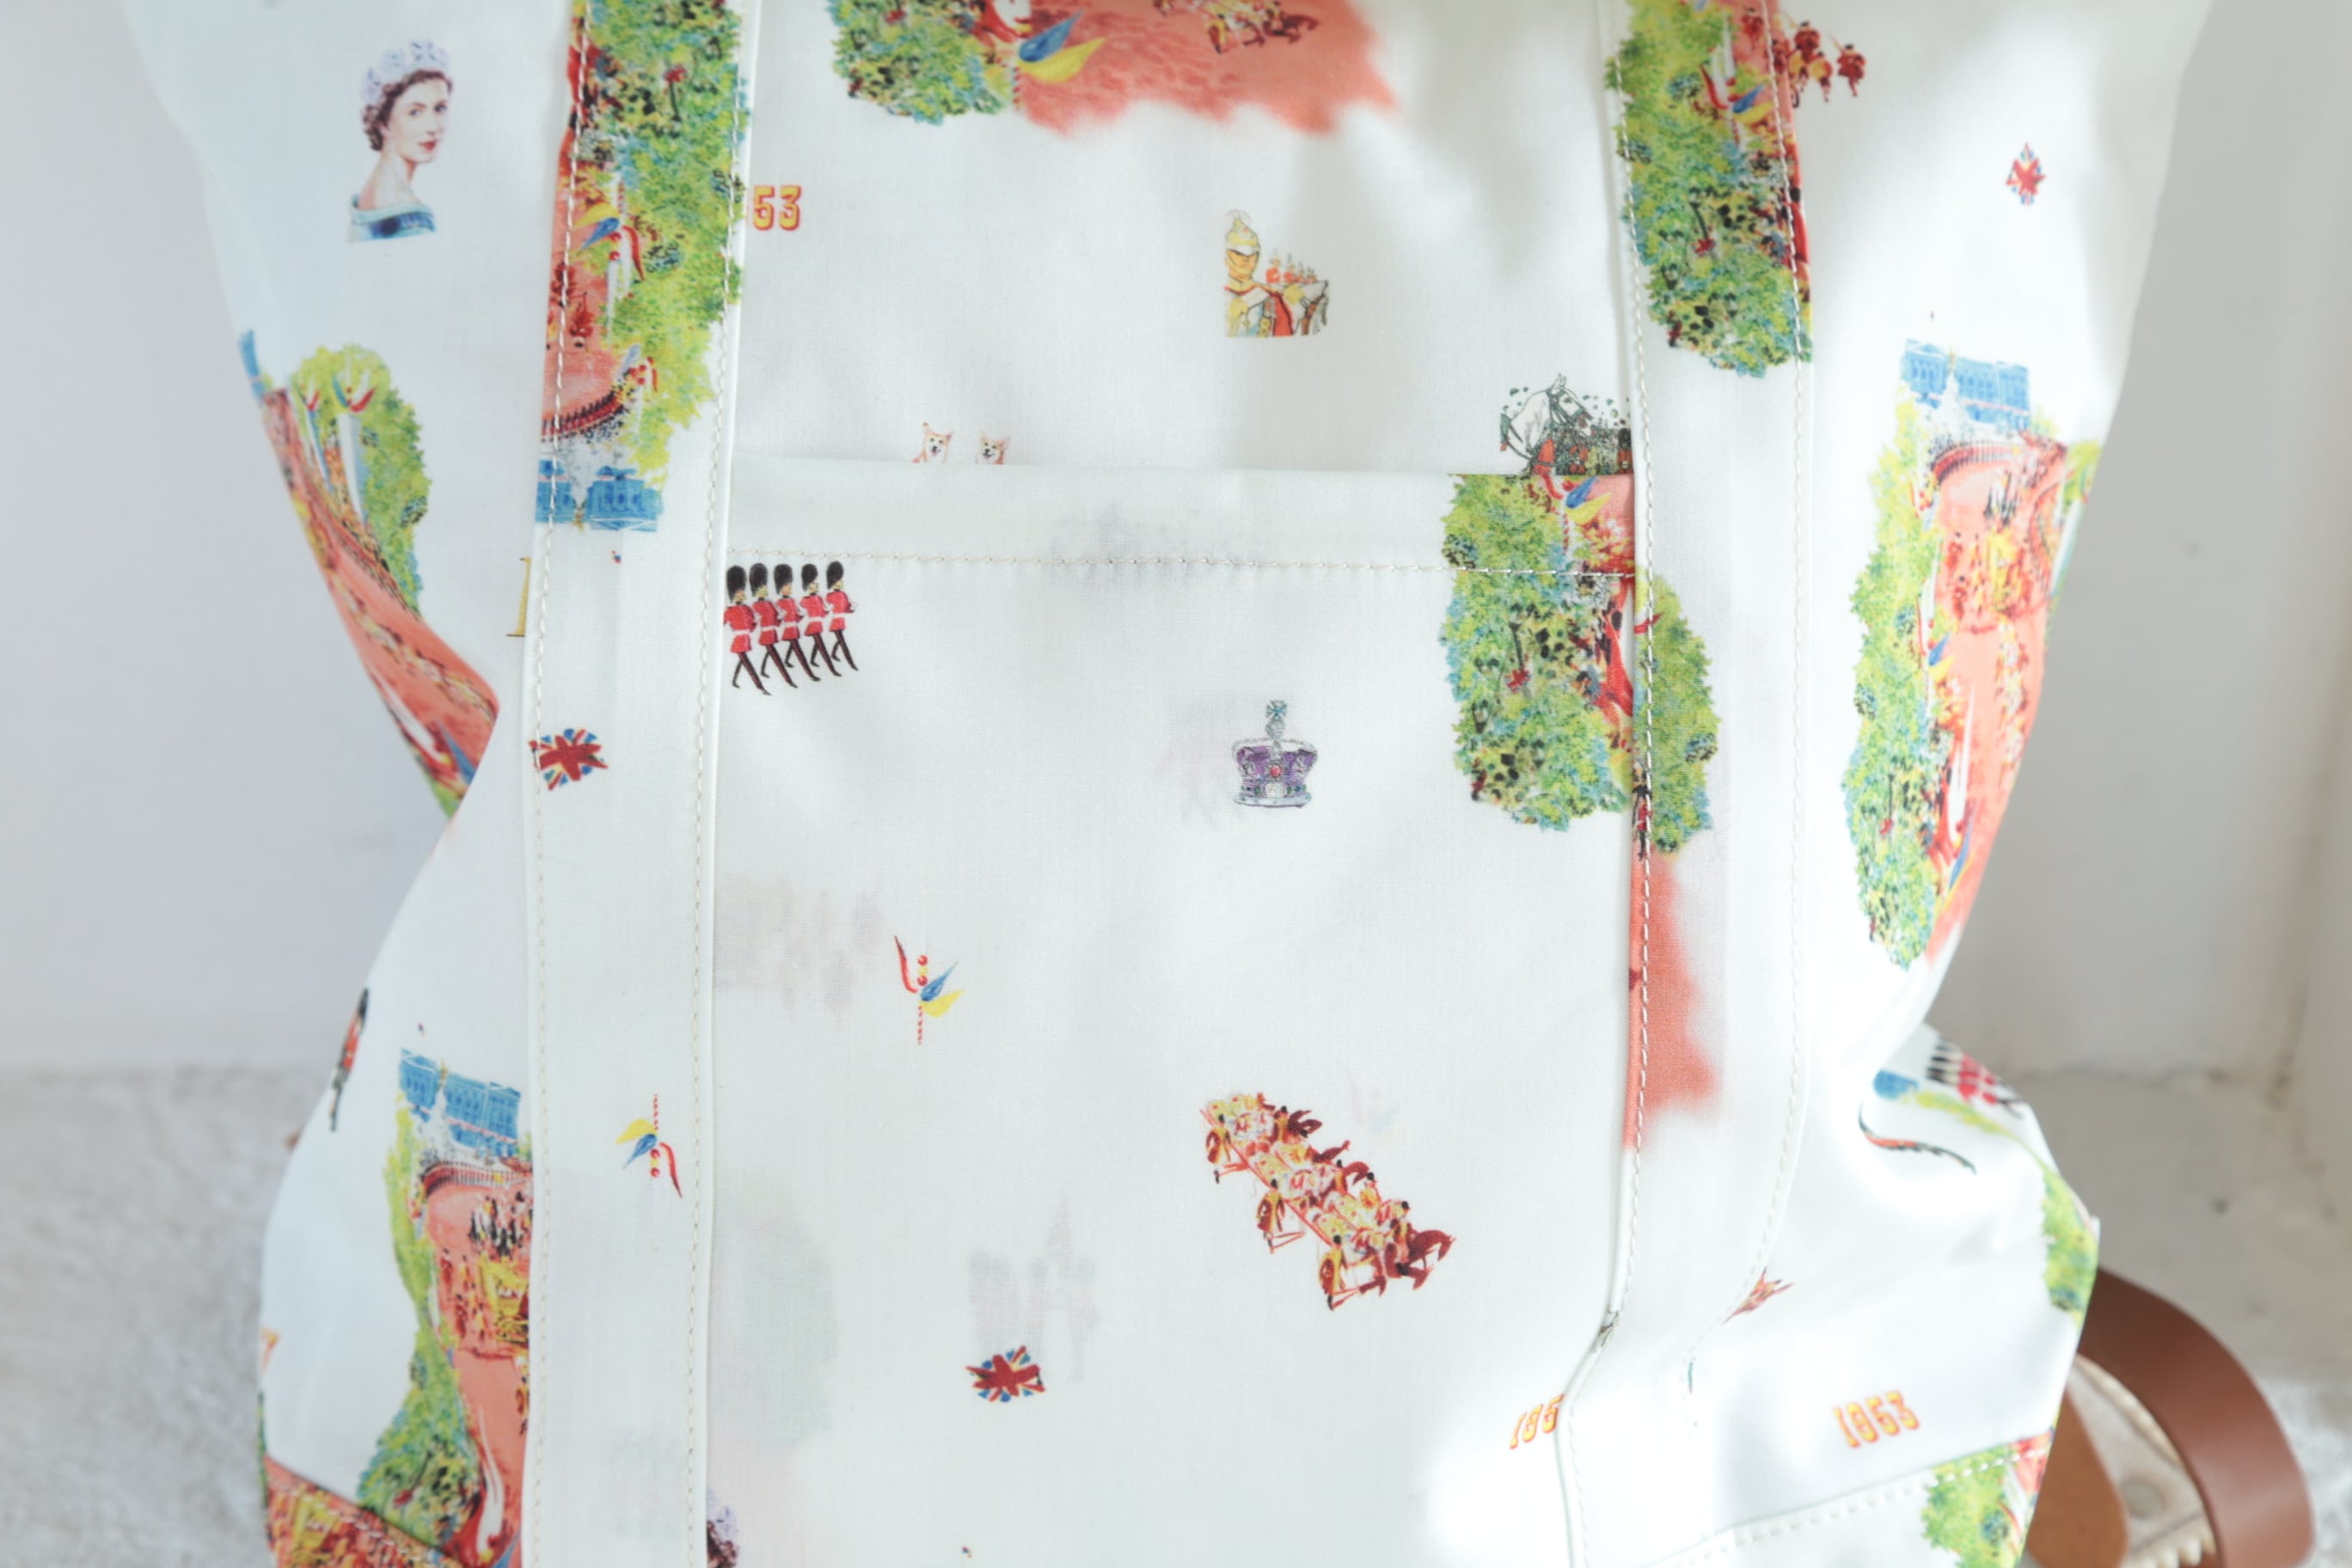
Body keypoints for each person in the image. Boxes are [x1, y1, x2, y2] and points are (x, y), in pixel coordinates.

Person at [352, 41, 450, 242]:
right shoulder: (413, 224)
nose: (433, 127)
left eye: (439, 109)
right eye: (415, 112)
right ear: (383, 123)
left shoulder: (364, 197)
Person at [721, 566, 766, 693]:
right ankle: (759, 686)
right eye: (740, 592)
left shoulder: (747, 609)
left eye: (742, 591)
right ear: (734, 594)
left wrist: (756, 621)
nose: (743, 593)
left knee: (743, 661)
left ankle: (734, 680)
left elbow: (750, 629)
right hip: (739, 641)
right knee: (747, 663)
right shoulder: (730, 611)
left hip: (746, 639)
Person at [824, 561, 857, 671]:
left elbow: (847, 608)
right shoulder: (830, 595)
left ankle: (833, 654)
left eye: (841, 580)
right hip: (835, 621)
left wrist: (853, 607)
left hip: (842, 620)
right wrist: (829, 608)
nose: (841, 582)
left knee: (840, 640)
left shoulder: (844, 594)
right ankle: (851, 663)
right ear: (834, 582)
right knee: (842, 642)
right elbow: (827, 608)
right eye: (839, 581)